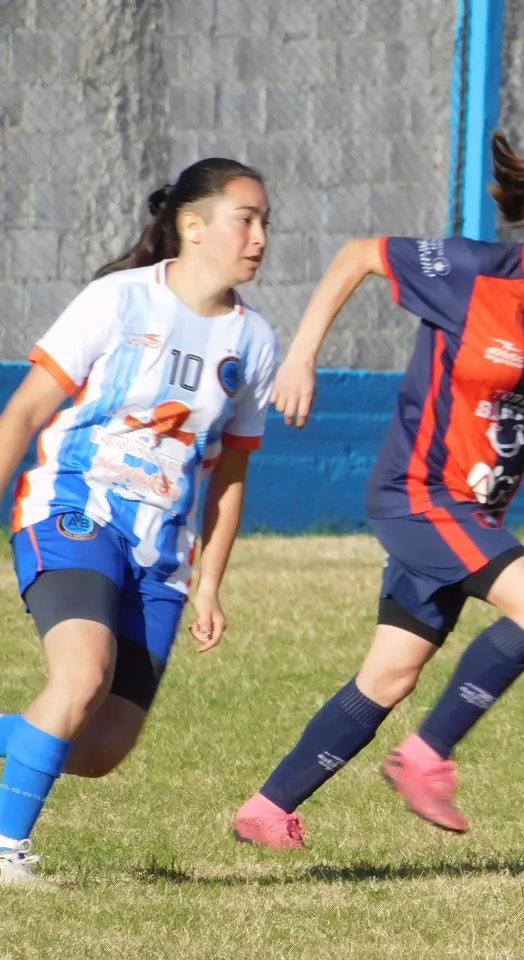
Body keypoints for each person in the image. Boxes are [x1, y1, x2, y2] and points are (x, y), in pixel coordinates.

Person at [233, 132, 524, 848]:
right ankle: (425, 758)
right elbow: (360, 254)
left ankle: (268, 807)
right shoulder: (473, 272)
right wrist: (300, 356)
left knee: (389, 677)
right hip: (418, 494)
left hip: (471, 513)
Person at [0, 158, 277, 884]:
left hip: (162, 556)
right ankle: (6, 854)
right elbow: (26, 409)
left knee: (97, 750)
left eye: (265, 223)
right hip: (72, 511)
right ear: (192, 225)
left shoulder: (254, 344)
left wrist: (210, 581)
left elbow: (231, 475)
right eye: (244, 219)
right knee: (81, 675)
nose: (259, 237)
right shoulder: (118, 301)